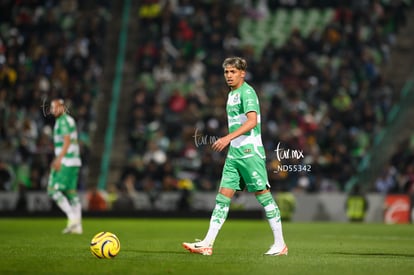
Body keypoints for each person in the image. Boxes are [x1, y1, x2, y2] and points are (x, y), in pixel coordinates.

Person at [182, 57, 287, 256]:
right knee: (222, 198)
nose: (229, 76)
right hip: (234, 155)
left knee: (263, 196)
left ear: (242, 73)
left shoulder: (247, 93)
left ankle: (280, 244)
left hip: (249, 152)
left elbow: (252, 122)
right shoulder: (232, 94)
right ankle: (207, 243)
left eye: (233, 72)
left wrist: (227, 138)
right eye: (226, 72)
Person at [47, 99, 83, 234]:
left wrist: (58, 159)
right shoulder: (69, 120)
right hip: (74, 160)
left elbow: (67, 141)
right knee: (71, 193)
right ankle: (78, 226)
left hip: (66, 161)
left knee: (52, 190)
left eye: (55, 107)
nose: (52, 110)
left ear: (62, 107)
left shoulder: (62, 121)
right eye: (51, 107)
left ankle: (72, 218)